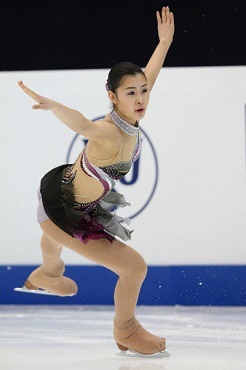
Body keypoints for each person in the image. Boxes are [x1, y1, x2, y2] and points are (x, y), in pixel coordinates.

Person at [17, 6, 174, 357]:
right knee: (134, 267)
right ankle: (126, 330)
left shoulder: (129, 114)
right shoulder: (106, 131)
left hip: (67, 198)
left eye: (144, 92)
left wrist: (163, 43)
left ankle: (47, 274)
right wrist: (54, 105)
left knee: (53, 244)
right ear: (112, 96)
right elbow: (82, 126)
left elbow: (149, 75)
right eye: (131, 92)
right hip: (63, 211)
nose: (141, 98)